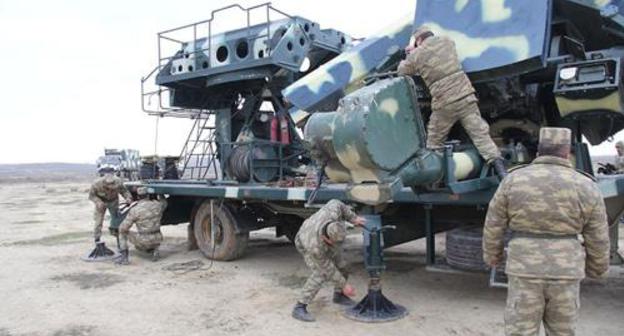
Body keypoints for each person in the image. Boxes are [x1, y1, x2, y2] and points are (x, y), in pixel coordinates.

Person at [483, 127, 610, 335]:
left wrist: (492, 257)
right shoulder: (586, 185)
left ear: (539, 151)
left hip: (524, 268)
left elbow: (494, 223)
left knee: (520, 330)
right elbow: (598, 235)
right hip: (566, 270)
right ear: (567, 151)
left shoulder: (513, 180)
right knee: (562, 331)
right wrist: (597, 269)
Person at [397, 26, 507, 178]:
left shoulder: (417, 55)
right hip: (466, 97)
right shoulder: (447, 41)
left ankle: (435, 179)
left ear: (419, 40)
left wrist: (409, 53)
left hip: (444, 104)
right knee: (481, 136)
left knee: (434, 142)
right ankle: (502, 173)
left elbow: (402, 71)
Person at [292, 200, 367, 322]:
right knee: (320, 274)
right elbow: (328, 269)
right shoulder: (315, 247)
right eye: (334, 243)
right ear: (326, 239)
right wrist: (344, 285)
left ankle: (339, 296)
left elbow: (337, 203)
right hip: (304, 242)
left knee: (343, 265)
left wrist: (353, 218)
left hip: (319, 234)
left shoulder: (333, 212)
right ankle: (300, 306)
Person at [85, 172, 133, 260]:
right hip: (101, 202)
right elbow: (91, 196)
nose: (111, 187)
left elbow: (124, 191)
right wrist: (98, 202)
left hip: (113, 201)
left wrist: (128, 197)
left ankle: (120, 242)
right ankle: (97, 241)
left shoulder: (118, 181)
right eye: (109, 185)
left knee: (117, 221)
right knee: (98, 222)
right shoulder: (96, 184)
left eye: (112, 184)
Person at [114, 187, 167, 265]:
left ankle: (124, 257)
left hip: (143, 240)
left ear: (138, 197)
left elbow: (123, 228)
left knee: (121, 232)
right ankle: (154, 250)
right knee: (151, 234)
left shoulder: (135, 210)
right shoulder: (157, 205)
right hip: (158, 238)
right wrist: (160, 193)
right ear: (148, 195)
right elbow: (164, 202)